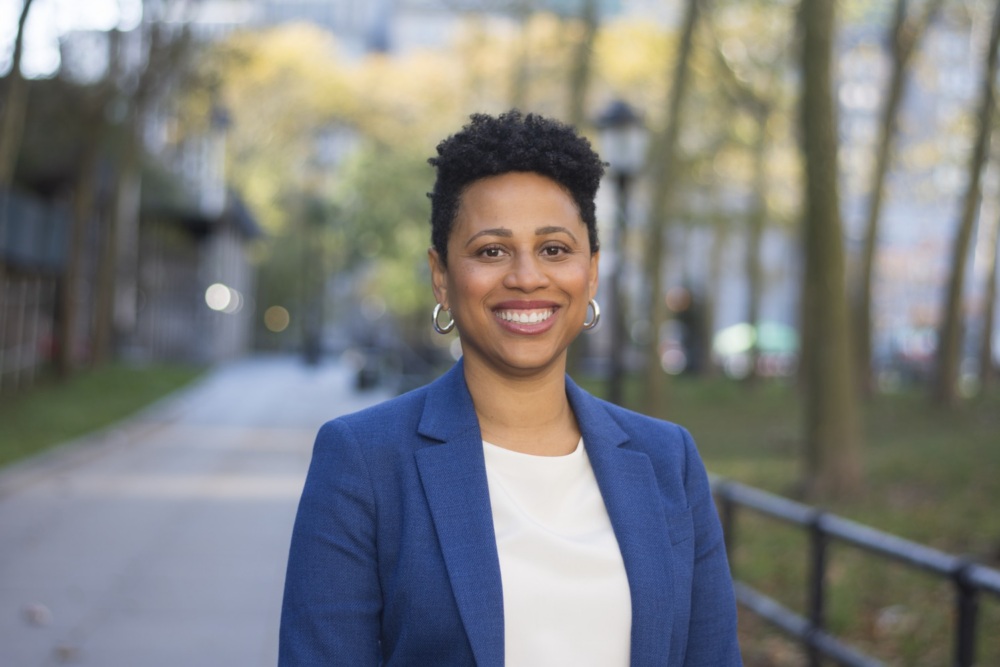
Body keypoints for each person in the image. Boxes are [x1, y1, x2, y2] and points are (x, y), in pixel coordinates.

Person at [278, 110, 742, 666]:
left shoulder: (669, 460)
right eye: (491, 251)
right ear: (442, 276)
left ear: (590, 272)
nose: (526, 277)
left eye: (554, 249)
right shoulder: (364, 463)